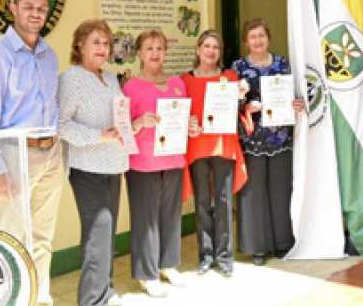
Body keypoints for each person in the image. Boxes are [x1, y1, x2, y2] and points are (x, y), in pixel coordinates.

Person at [0, 0, 62, 305]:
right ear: (13, 7)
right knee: (10, 237)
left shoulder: (48, 55)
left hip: (50, 154)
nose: (36, 14)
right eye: (29, 7)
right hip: (14, 153)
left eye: (41, 9)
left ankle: (39, 298)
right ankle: (9, 299)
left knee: (42, 237)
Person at [58, 19, 127, 306]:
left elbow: (117, 121)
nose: (102, 48)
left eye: (106, 43)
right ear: (80, 45)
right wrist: (99, 136)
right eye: (95, 42)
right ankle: (91, 299)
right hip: (87, 168)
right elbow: (60, 125)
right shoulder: (71, 78)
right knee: (96, 233)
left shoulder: (110, 78)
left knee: (106, 233)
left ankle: (106, 291)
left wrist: (135, 125)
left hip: (113, 164)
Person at [123, 30, 192, 298]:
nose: (155, 53)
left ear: (166, 52)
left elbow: (183, 118)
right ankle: (146, 274)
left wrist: (191, 126)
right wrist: (138, 124)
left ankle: (168, 264)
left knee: (171, 215)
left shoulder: (177, 83)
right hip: (142, 163)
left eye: (160, 48)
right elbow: (122, 128)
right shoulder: (130, 87)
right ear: (139, 53)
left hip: (173, 158)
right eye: (149, 48)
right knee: (145, 219)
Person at [232, 19, 302, 265]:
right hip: (252, 140)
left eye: (261, 35)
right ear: (246, 41)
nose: (258, 41)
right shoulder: (238, 66)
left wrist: (297, 102)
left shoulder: (283, 63)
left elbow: (296, 93)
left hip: (280, 137)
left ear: (268, 37)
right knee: (253, 193)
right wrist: (245, 105)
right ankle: (257, 247)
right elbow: (229, 103)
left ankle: (283, 243)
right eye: (252, 37)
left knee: (281, 191)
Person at [182, 30, 248, 277]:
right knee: (201, 204)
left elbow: (238, 111)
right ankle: (205, 256)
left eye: (216, 47)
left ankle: (225, 256)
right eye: (207, 46)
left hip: (223, 145)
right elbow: (181, 113)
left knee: (222, 202)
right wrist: (188, 122)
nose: (211, 51)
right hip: (197, 147)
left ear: (220, 53)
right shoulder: (184, 81)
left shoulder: (230, 78)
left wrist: (241, 96)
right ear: (198, 50)